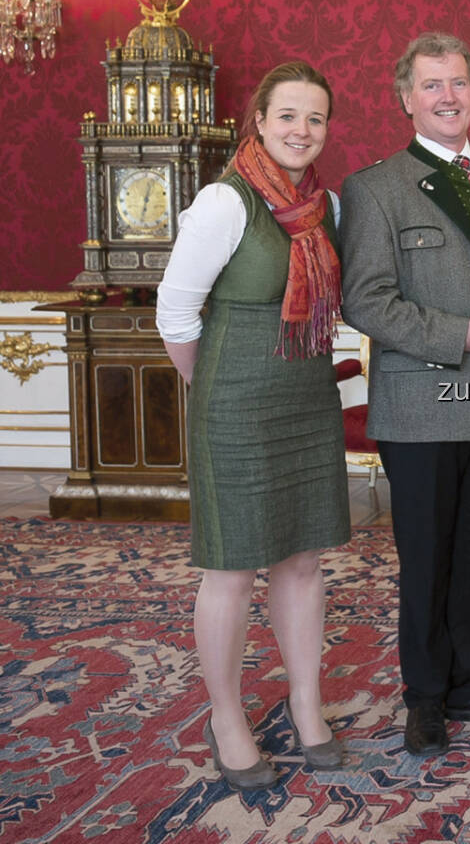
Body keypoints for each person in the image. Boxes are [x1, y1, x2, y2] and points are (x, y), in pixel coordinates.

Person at [339, 32, 470, 757]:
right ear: (406, 100)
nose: (448, 97)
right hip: (422, 406)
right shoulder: (375, 189)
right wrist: (459, 335)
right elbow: (366, 302)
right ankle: (425, 696)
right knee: (428, 558)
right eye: (432, 85)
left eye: (459, 83)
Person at [157, 61, 350, 788]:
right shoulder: (224, 201)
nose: (302, 130)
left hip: (306, 396)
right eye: (289, 115)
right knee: (232, 567)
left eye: (316, 118)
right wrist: (213, 392)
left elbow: (349, 300)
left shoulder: (323, 206)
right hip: (234, 400)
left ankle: (305, 705)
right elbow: (174, 314)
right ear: (260, 121)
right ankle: (226, 717)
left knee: (301, 557)